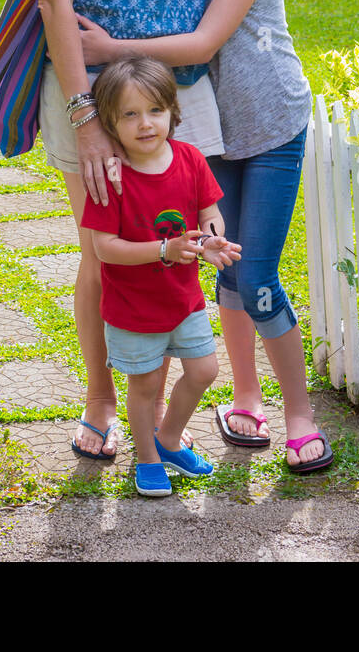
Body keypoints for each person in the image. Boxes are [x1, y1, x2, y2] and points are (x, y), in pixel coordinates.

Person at [31, 0, 288, 459]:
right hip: (96, 95)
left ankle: (159, 414)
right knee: (103, 253)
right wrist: (85, 119)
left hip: (181, 99)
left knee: (181, 244)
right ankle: (102, 400)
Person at [78, 0, 333, 473]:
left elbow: (201, 44)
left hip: (271, 123)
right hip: (212, 128)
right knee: (225, 262)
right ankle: (245, 399)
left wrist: (109, 54)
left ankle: (299, 414)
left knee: (258, 274)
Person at [80, 56, 242, 496]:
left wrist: (212, 242)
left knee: (205, 370)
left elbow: (211, 215)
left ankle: (168, 439)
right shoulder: (112, 179)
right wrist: (163, 250)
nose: (145, 123)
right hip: (132, 308)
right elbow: (103, 248)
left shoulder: (189, 159)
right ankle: (147, 459)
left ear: (173, 111)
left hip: (183, 301)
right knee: (147, 384)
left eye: (154, 110)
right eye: (129, 115)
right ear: (111, 125)